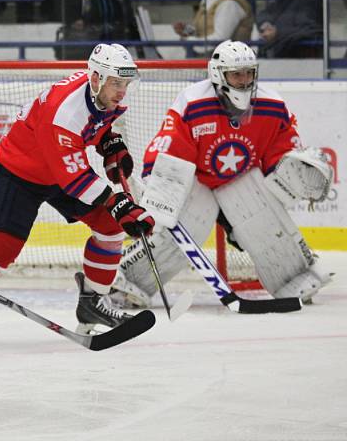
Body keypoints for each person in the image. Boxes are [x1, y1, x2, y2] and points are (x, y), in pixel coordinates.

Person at [0, 44, 156, 350]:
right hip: (18, 172)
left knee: (110, 226)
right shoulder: (64, 111)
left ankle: (92, 302)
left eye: (125, 84)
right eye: (117, 83)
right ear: (98, 78)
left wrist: (108, 143)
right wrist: (120, 203)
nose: (122, 91)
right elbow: (74, 179)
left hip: (57, 167)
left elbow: (91, 130)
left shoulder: (99, 92)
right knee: (0, 249)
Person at [114, 41, 333, 306]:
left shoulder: (273, 105)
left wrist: (291, 169)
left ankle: (292, 276)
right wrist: (160, 188)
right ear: (219, 74)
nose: (243, 81)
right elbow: (170, 148)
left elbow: (281, 150)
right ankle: (130, 281)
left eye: (248, 73)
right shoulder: (193, 102)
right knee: (177, 227)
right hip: (197, 186)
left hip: (240, 185)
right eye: (235, 74)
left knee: (261, 220)